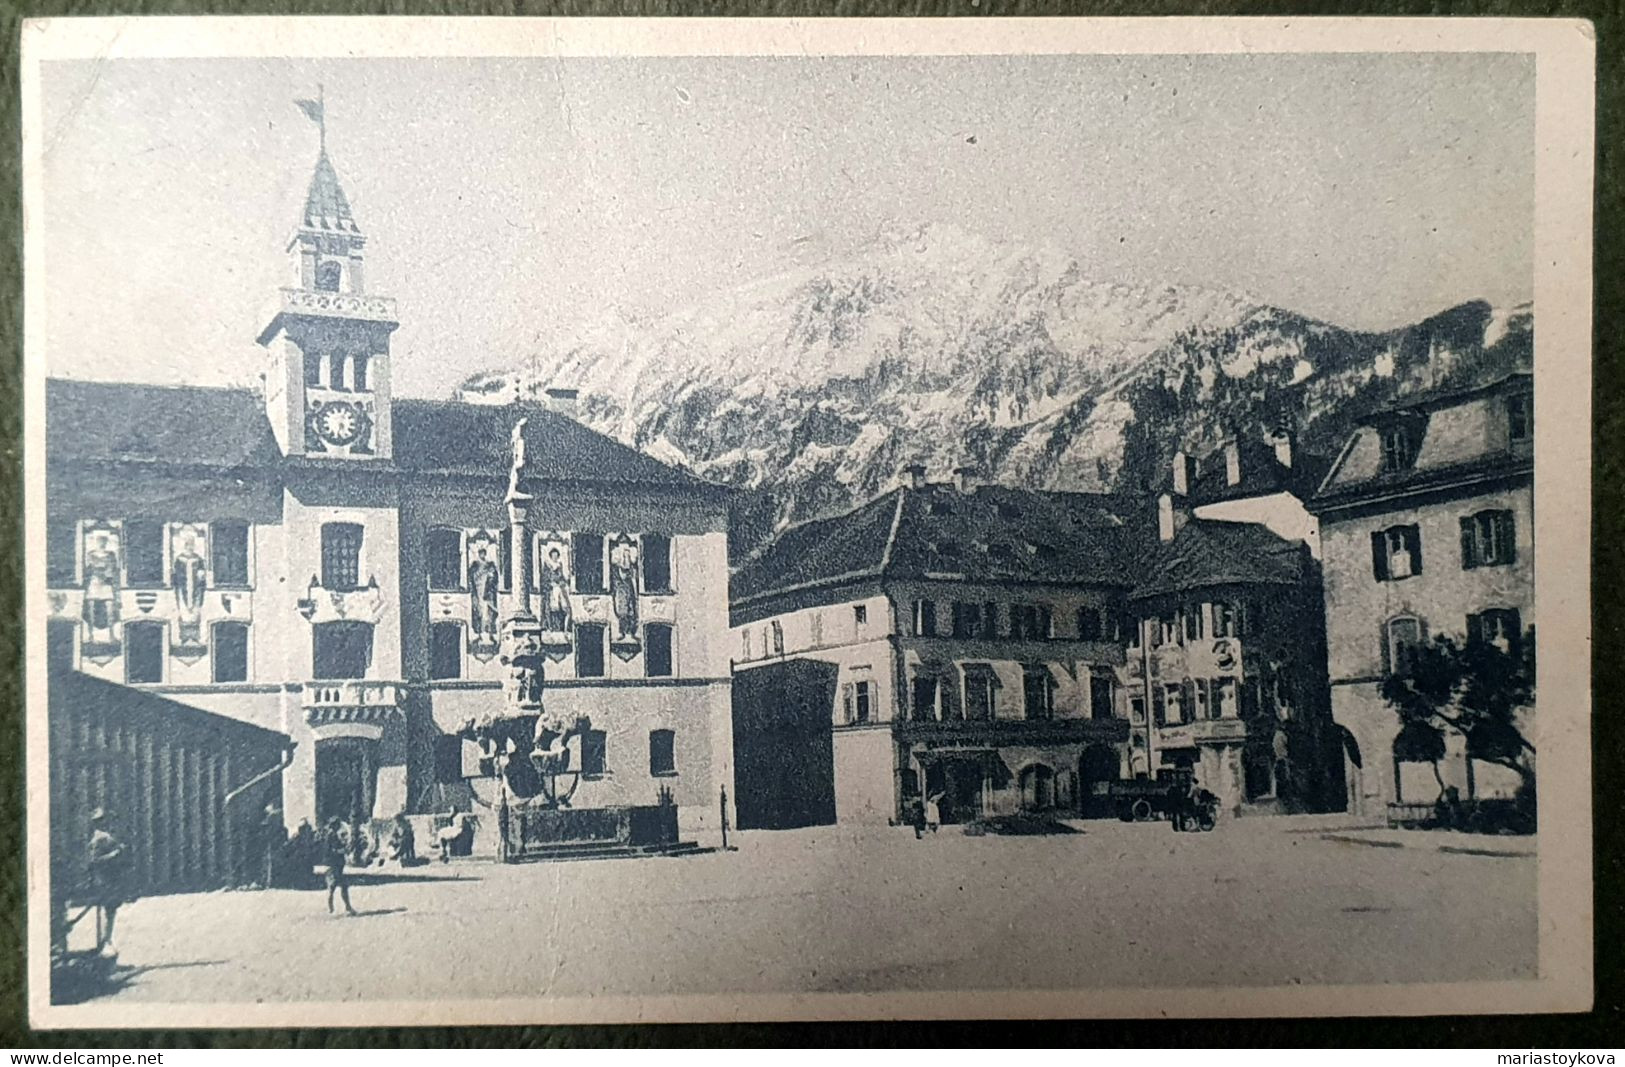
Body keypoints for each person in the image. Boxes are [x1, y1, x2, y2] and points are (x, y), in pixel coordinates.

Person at [86, 808, 131, 953]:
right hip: (104, 879)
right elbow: (95, 860)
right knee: (109, 910)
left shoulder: (105, 836)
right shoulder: (99, 838)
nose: (104, 822)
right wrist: (115, 853)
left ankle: (107, 939)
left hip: (111, 878)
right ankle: (106, 941)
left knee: (111, 911)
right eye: (100, 820)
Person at [322, 817, 357, 916]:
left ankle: (333, 908)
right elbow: (331, 850)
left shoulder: (334, 835)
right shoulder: (331, 836)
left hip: (337, 864)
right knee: (337, 886)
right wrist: (342, 850)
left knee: (334, 887)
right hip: (334, 864)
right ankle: (339, 908)